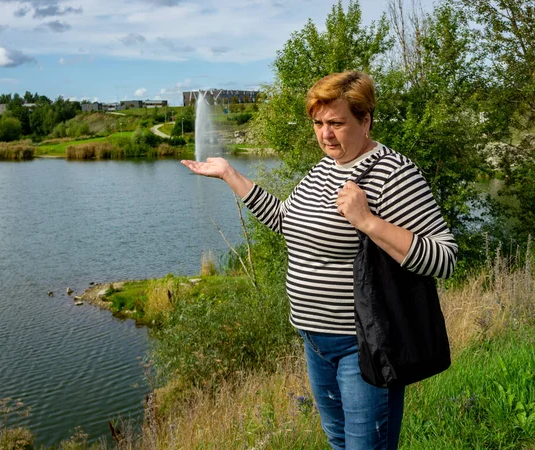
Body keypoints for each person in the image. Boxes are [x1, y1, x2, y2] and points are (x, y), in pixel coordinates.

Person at [181, 71, 457, 450]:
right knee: (338, 441)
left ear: (365, 120)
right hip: (314, 340)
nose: (326, 134)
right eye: (318, 123)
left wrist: (367, 221)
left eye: (337, 123)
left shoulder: (393, 174)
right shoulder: (323, 170)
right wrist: (230, 174)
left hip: (363, 344)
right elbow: (284, 220)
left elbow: (444, 258)